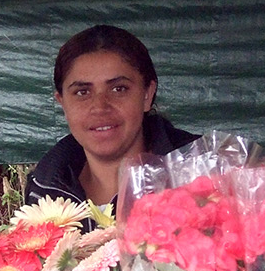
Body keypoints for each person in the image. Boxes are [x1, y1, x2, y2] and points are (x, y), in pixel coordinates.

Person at [25, 25, 197, 211]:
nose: (100, 107)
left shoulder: (203, 173)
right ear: (62, 102)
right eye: (82, 92)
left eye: (118, 89)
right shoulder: (44, 190)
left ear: (147, 94)